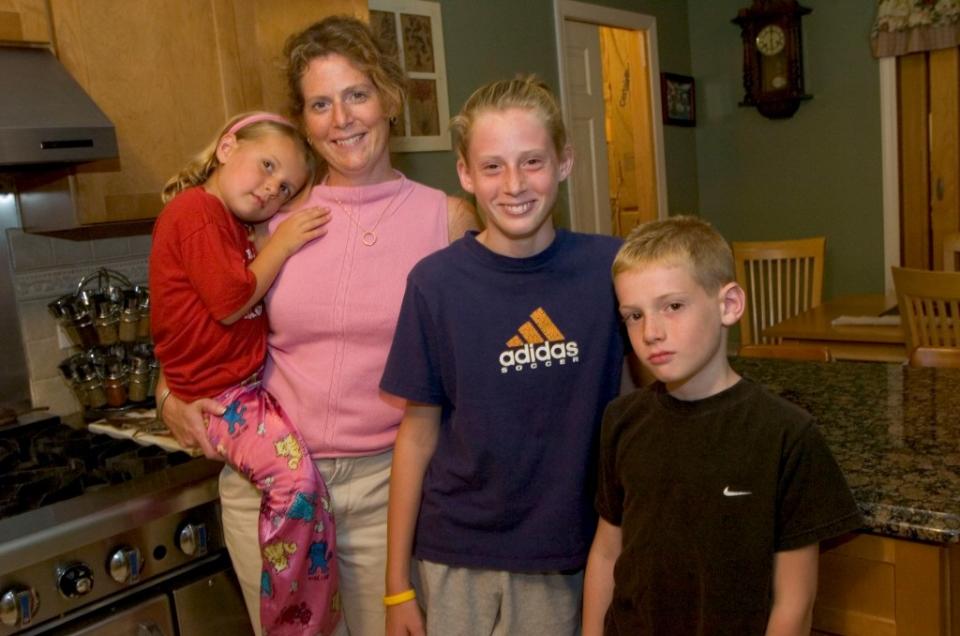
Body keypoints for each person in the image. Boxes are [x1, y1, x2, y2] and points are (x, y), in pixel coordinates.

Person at [156, 16, 477, 636]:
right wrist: (167, 393)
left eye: (356, 94)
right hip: (267, 489)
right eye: (320, 104)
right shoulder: (267, 219)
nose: (342, 119)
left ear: (388, 98)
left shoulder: (448, 222)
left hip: (389, 495)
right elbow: (190, 327)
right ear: (303, 121)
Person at [380, 76, 625, 636]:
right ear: (465, 175)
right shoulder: (434, 284)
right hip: (455, 555)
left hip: (568, 554)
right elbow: (416, 437)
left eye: (532, 161)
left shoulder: (612, 272)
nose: (514, 184)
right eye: (492, 166)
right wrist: (397, 587)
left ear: (564, 162)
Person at [582, 216, 863, 635]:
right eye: (633, 315)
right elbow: (607, 553)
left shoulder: (785, 435)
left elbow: (795, 601)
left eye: (672, 306)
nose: (651, 332)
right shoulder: (621, 421)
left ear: (728, 305)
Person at [150, 111, 339, 636]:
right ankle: (290, 621)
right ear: (227, 145)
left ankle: (312, 604)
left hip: (238, 391)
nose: (270, 189)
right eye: (266, 166)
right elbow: (232, 301)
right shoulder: (196, 212)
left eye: (283, 188)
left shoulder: (229, 222)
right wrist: (283, 240)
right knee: (296, 484)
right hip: (219, 396)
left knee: (305, 488)